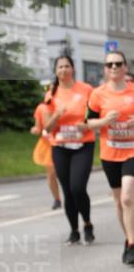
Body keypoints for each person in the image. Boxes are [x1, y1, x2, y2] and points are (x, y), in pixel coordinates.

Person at [86, 52, 134, 265]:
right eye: (110, 64)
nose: (114, 67)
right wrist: (105, 120)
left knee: (127, 197)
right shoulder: (98, 94)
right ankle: (129, 238)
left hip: (132, 151)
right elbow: (89, 123)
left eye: (118, 64)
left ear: (125, 67)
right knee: (118, 202)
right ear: (105, 69)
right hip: (110, 153)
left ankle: (132, 245)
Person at [42, 56, 94, 245]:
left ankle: (87, 223)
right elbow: (46, 128)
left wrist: (87, 124)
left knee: (78, 187)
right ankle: (74, 230)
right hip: (61, 147)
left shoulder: (86, 89)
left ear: (73, 69)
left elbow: (96, 114)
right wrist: (57, 114)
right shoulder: (51, 94)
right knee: (68, 191)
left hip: (83, 145)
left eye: (67, 66)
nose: (63, 70)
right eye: (60, 67)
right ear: (56, 71)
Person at [31, 99, 62, 209]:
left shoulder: (62, 104)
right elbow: (38, 127)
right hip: (48, 144)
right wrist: (35, 130)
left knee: (63, 172)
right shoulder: (41, 107)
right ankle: (57, 199)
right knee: (51, 173)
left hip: (63, 142)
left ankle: (71, 195)